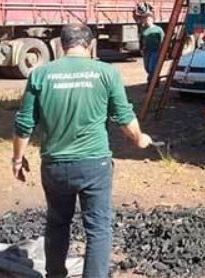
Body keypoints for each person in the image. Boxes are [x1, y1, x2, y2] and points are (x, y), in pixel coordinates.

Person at [12, 24, 152, 278]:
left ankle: (55, 274)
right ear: (91, 45)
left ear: (61, 45)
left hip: (54, 165)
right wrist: (140, 138)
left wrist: (17, 159)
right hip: (94, 165)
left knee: (57, 223)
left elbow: (24, 123)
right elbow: (123, 117)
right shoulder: (106, 73)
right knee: (98, 228)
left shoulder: (40, 74)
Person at [139, 11, 165, 84]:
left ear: (152, 20)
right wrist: (141, 49)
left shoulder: (158, 29)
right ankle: (154, 78)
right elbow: (141, 40)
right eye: (145, 20)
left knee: (151, 67)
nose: (147, 21)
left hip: (155, 50)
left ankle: (152, 82)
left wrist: (163, 51)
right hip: (146, 51)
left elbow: (163, 40)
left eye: (148, 20)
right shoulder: (143, 29)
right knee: (147, 67)